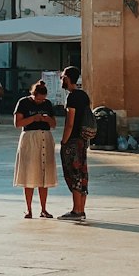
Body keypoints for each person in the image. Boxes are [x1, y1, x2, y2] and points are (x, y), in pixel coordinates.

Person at [13, 80, 57, 217]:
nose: (40, 102)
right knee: (29, 173)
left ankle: (44, 209)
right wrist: (33, 118)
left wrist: (46, 119)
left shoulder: (48, 104)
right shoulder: (23, 102)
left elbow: (54, 124)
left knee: (44, 174)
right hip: (30, 138)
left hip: (45, 137)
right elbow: (18, 123)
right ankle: (29, 208)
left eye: (42, 100)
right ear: (34, 95)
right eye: (38, 99)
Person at [58, 65, 90, 221]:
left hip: (73, 141)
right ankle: (81, 209)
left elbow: (70, 123)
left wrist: (64, 141)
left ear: (68, 78)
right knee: (82, 173)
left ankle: (76, 210)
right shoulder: (83, 95)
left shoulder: (71, 97)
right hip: (83, 140)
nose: (61, 79)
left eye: (62, 76)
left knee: (73, 173)